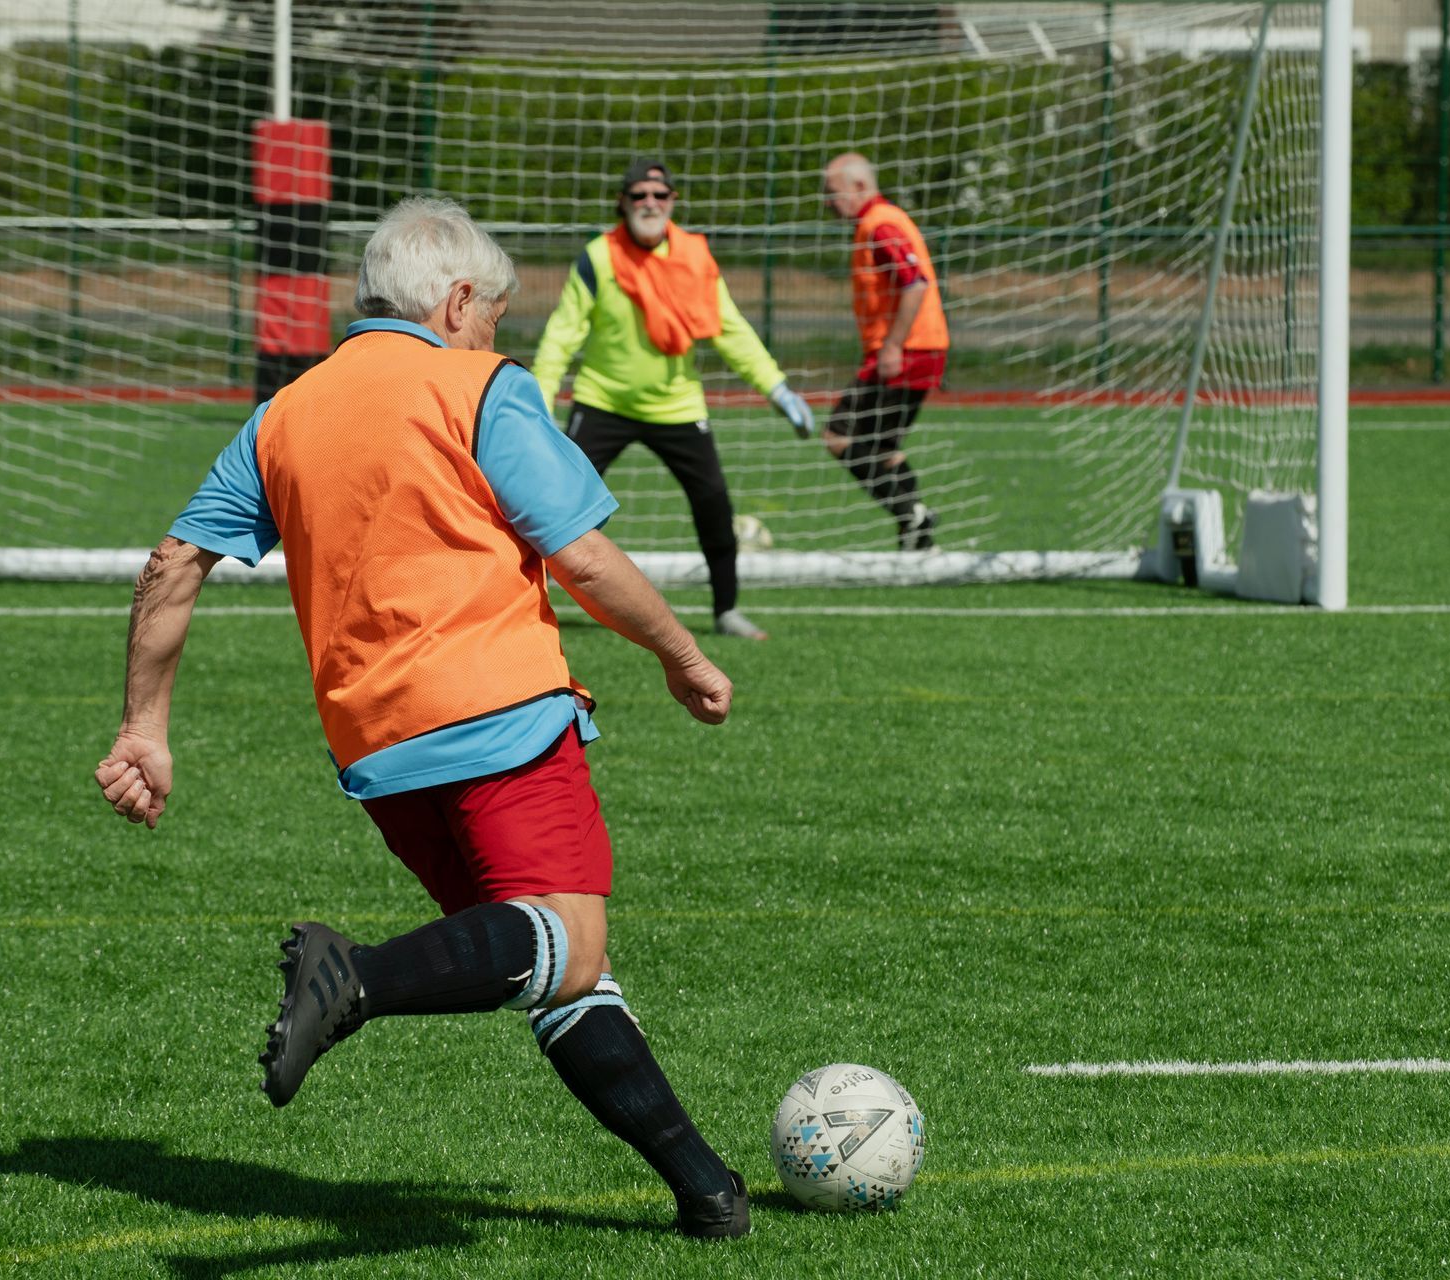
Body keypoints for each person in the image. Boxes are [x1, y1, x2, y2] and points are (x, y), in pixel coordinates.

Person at [94, 196, 750, 1239]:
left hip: (382, 752)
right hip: (503, 713)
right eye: (493, 312)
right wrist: (683, 653)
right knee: (566, 948)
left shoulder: (287, 411)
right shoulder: (480, 384)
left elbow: (173, 563)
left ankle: (708, 1189)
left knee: (546, 960)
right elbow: (578, 554)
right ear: (454, 301)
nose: (497, 332)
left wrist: (144, 727)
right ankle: (352, 974)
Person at [531, 159, 816, 642]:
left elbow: (729, 327)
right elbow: (562, 334)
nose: (649, 203)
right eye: (639, 194)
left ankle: (726, 611)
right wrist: (539, 404)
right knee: (550, 502)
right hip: (603, 401)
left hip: (677, 406)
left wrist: (776, 386)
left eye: (659, 195)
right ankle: (520, 606)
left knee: (713, 504)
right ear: (622, 202)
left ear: (673, 203)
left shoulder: (696, 256)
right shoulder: (599, 257)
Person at [821, 152, 950, 551]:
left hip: (906, 351)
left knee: (838, 436)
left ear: (860, 186)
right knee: (883, 447)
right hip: (918, 348)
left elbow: (915, 283)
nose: (829, 202)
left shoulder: (881, 225)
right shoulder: (876, 222)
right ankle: (916, 530)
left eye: (833, 192)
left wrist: (892, 345)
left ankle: (911, 514)